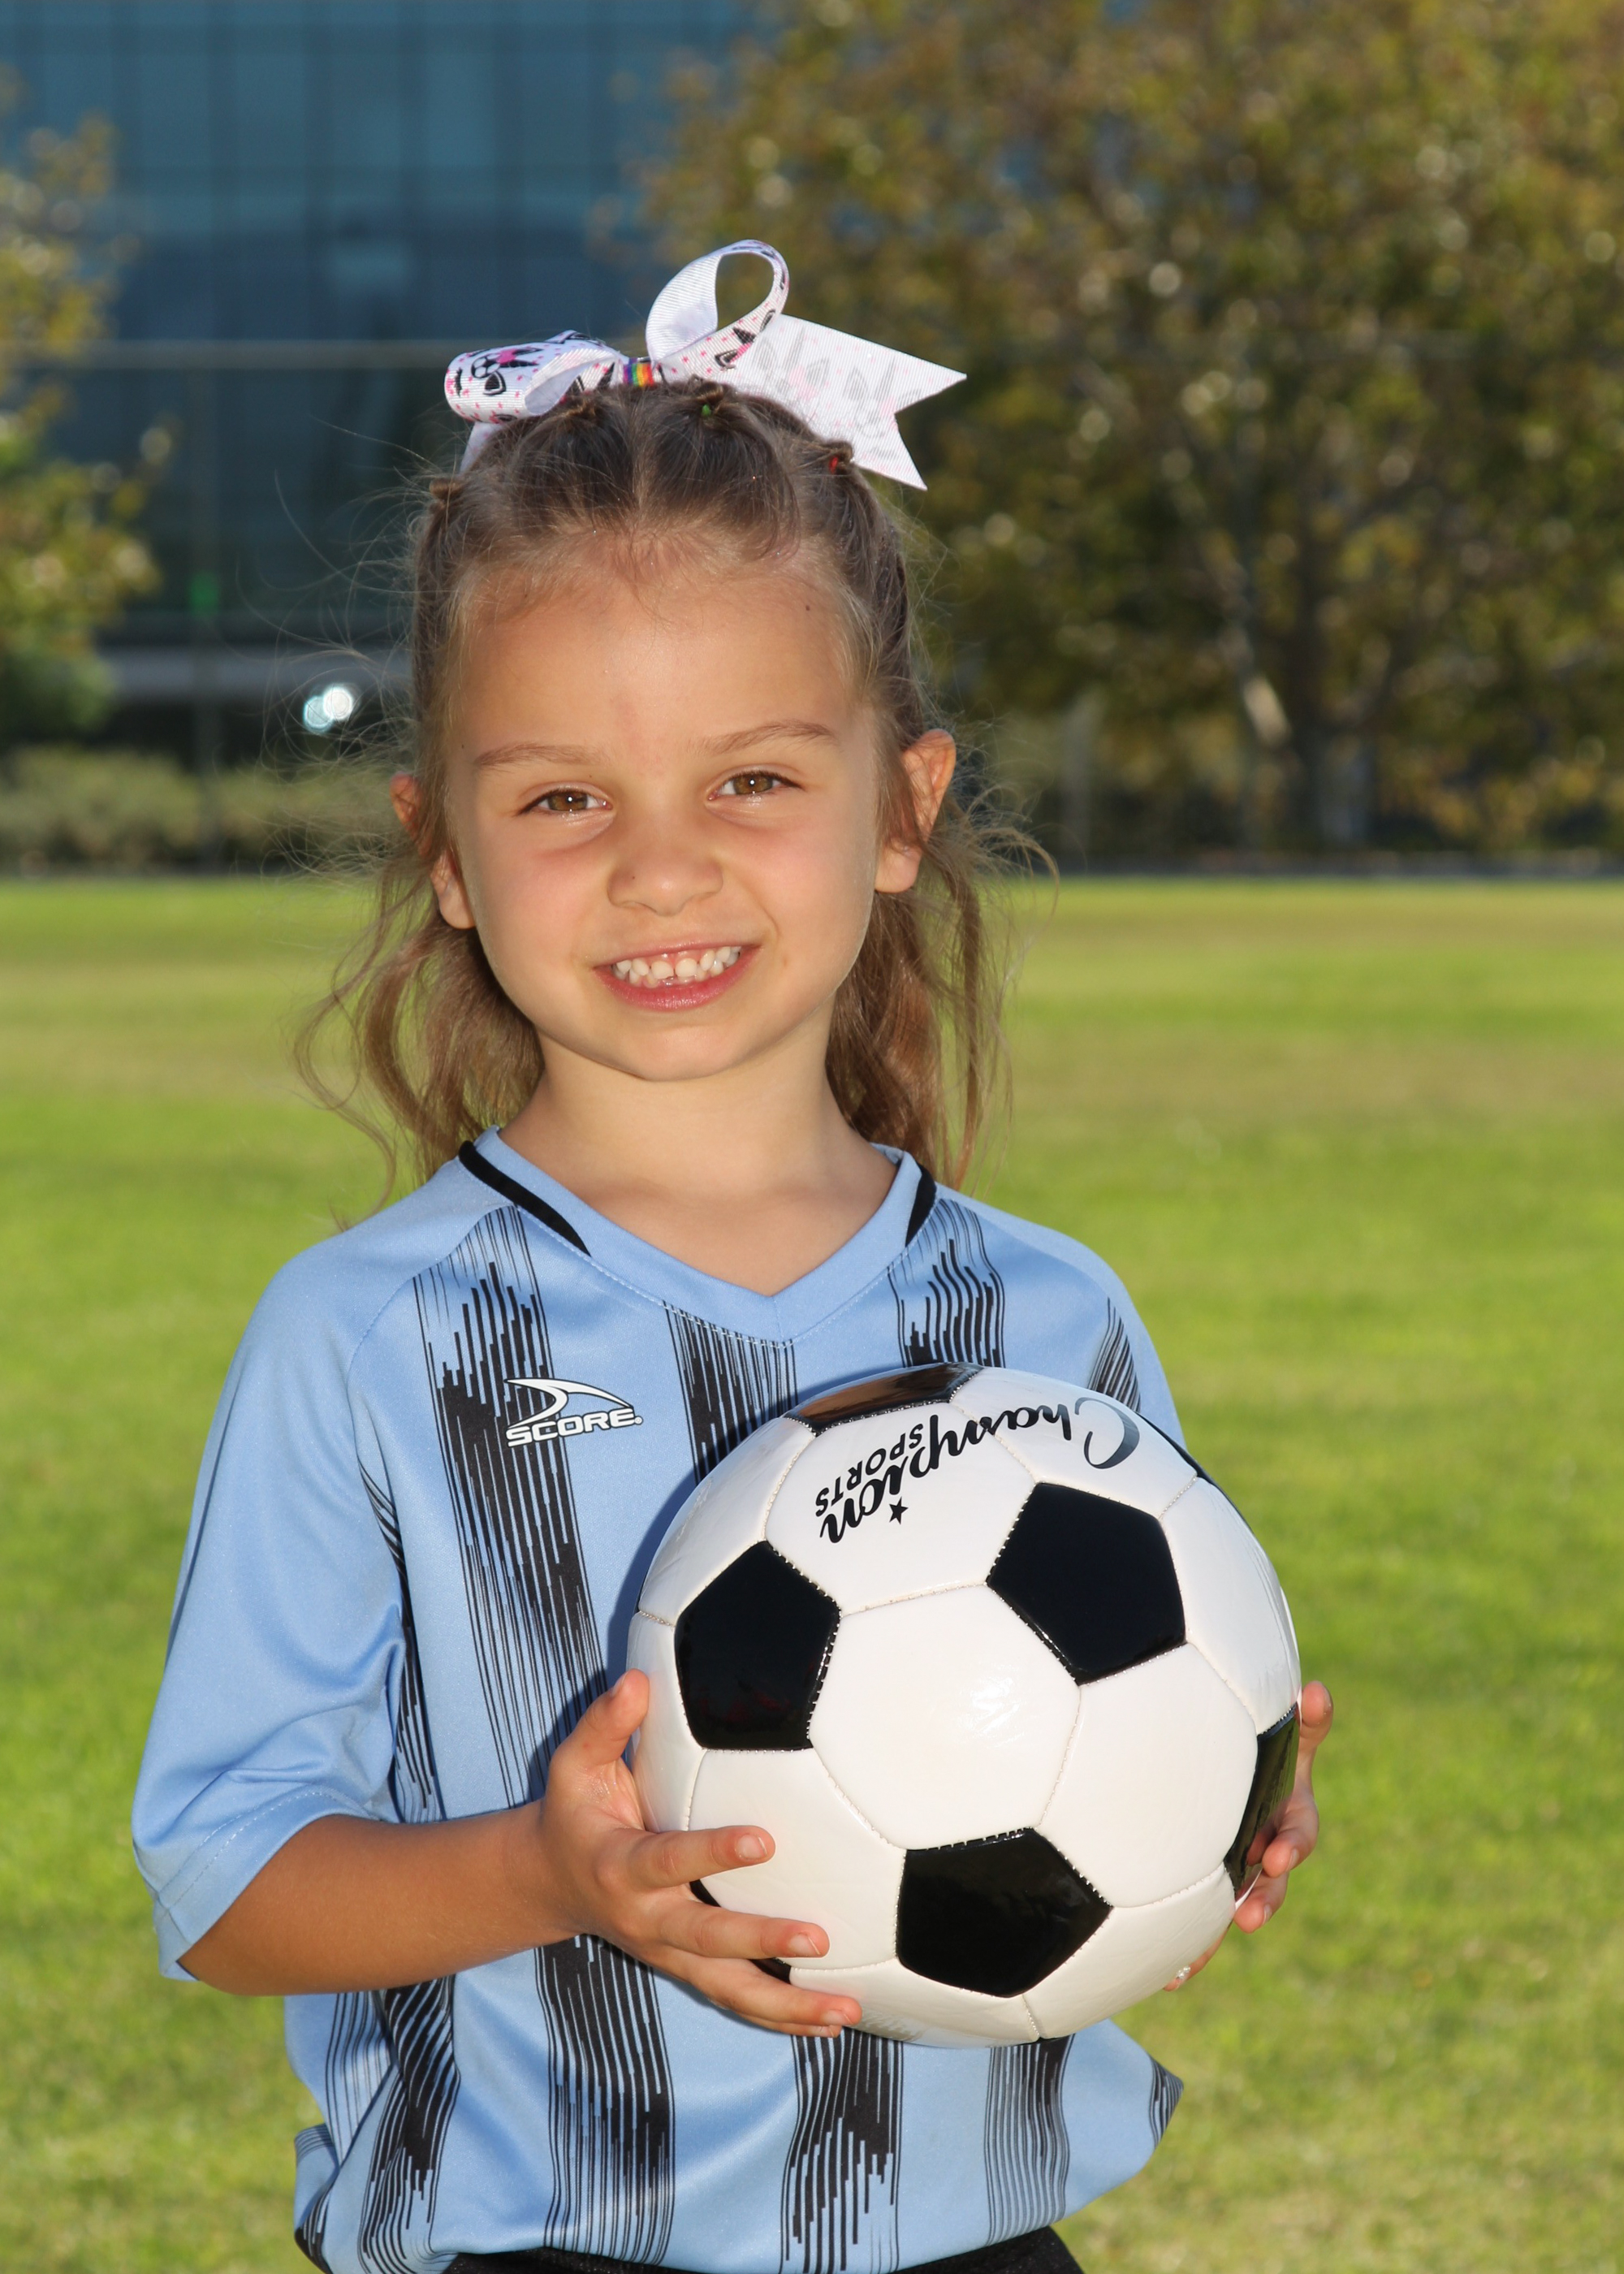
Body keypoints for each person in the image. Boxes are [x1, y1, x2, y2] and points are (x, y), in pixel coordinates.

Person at [133, 249, 1332, 2274]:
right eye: (563, 798)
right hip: (532, 2245)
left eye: (752, 779)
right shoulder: (369, 1337)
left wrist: (1210, 1794)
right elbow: (231, 1888)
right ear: (444, 852)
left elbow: (1122, 1710)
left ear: (902, 806)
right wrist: (545, 1870)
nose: (662, 865)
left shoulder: (1047, 1318)